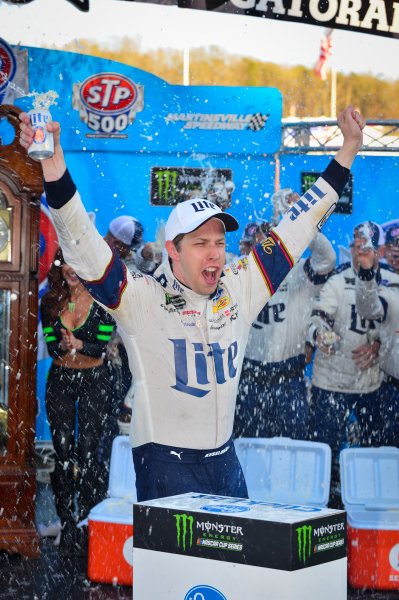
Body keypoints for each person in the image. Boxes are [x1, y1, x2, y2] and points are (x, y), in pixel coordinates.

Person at [19, 105, 365, 502]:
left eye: (219, 242)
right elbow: (84, 249)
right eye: (200, 244)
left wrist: (349, 150)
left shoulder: (241, 285)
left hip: (225, 461)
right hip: (166, 464)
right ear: (173, 250)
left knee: (236, 563)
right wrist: (54, 166)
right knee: (175, 566)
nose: (215, 254)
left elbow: (300, 224)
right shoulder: (143, 299)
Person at [234, 202, 336, 440]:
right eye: (249, 246)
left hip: (288, 381)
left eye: (262, 245)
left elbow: (327, 260)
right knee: (244, 451)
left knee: (293, 454)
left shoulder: (298, 271)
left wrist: (304, 217)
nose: (255, 252)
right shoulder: (235, 275)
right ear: (242, 248)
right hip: (248, 381)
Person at [40, 248, 115, 554]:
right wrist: (63, 344)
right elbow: (53, 350)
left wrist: (80, 343)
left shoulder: (103, 303)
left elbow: (100, 347)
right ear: (61, 265)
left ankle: (86, 520)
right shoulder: (50, 301)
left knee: (87, 452)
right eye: (67, 261)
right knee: (62, 450)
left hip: (94, 382)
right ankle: (66, 522)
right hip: (60, 381)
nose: (72, 268)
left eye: (78, 261)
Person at [306, 221, 384, 507]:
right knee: (322, 454)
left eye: (364, 245)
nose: (358, 250)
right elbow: (317, 316)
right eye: (354, 244)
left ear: (378, 249)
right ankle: (319, 511)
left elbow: (390, 325)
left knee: (375, 455)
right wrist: (319, 335)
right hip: (331, 384)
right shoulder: (337, 280)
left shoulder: (388, 278)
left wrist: (380, 344)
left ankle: (370, 514)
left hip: (370, 385)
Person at [354, 223, 399, 447]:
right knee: (387, 455)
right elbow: (369, 309)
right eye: (392, 244)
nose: (397, 250)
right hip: (392, 389)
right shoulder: (385, 287)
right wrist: (365, 273)